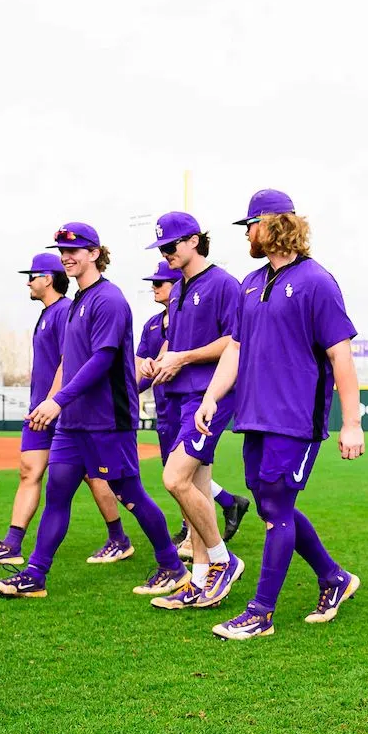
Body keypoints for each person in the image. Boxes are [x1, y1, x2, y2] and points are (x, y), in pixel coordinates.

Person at [192, 189, 367, 640]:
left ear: (275, 224)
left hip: (294, 420)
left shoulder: (317, 282)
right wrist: (211, 396)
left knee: (275, 511)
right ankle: (334, 578)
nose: (247, 234)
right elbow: (235, 346)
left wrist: (352, 422)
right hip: (253, 416)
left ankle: (260, 613)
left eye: (251, 224)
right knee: (273, 505)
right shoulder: (250, 284)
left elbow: (340, 355)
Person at [0, 224, 183, 598]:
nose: (66, 255)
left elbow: (102, 360)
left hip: (108, 420)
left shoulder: (109, 299)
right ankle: (35, 575)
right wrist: (57, 404)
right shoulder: (77, 301)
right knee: (57, 494)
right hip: (73, 424)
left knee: (132, 496)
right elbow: (70, 363)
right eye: (61, 250)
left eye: (73, 250)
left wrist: (57, 400)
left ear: (95, 253)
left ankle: (172, 566)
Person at [143, 211, 251, 612]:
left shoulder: (223, 284)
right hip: (184, 396)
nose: (166, 254)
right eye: (161, 248)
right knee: (198, 487)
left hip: (213, 395)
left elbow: (235, 344)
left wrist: (184, 357)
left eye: (170, 246)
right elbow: (176, 346)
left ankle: (224, 560)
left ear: (193, 241)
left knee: (174, 478)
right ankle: (201, 579)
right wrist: (159, 362)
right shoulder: (178, 289)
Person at [0, 250, 71, 568]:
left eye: (31, 276)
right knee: (28, 471)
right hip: (39, 410)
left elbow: (70, 362)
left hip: (62, 410)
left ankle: (119, 538)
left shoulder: (65, 311)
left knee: (99, 479)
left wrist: (52, 402)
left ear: (48, 279)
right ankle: (12, 544)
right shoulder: (45, 314)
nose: (27, 282)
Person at [129, 260, 192, 598]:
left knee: (185, 474)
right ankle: (195, 525)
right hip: (165, 407)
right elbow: (140, 363)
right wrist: (135, 383)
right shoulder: (153, 324)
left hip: (189, 403)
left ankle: (195, 534)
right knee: (174, 473)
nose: (155, 287)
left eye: (161, 282)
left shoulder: (185, 317)